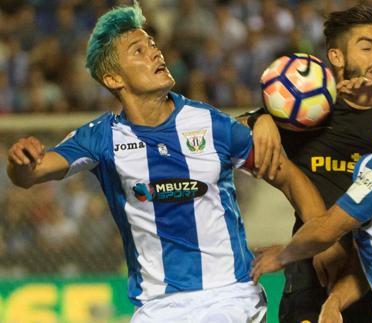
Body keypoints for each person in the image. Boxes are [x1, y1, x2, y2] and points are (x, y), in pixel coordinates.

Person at [6, 2, 326, 322]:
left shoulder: (211, 124)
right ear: (114, 78)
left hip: (229, 297)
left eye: (153, 46)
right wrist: (21, 160)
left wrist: (315, 246)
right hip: (157, 307)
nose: (156, 54)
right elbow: (30, 173)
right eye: (138, 51)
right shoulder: (101, 137)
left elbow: (289, 178)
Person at [243, 5, 372, 323]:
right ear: (337, 57)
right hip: (313, 275)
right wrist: (261, 120)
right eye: (367, 47)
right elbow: (230, 135)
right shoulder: (307, 114)